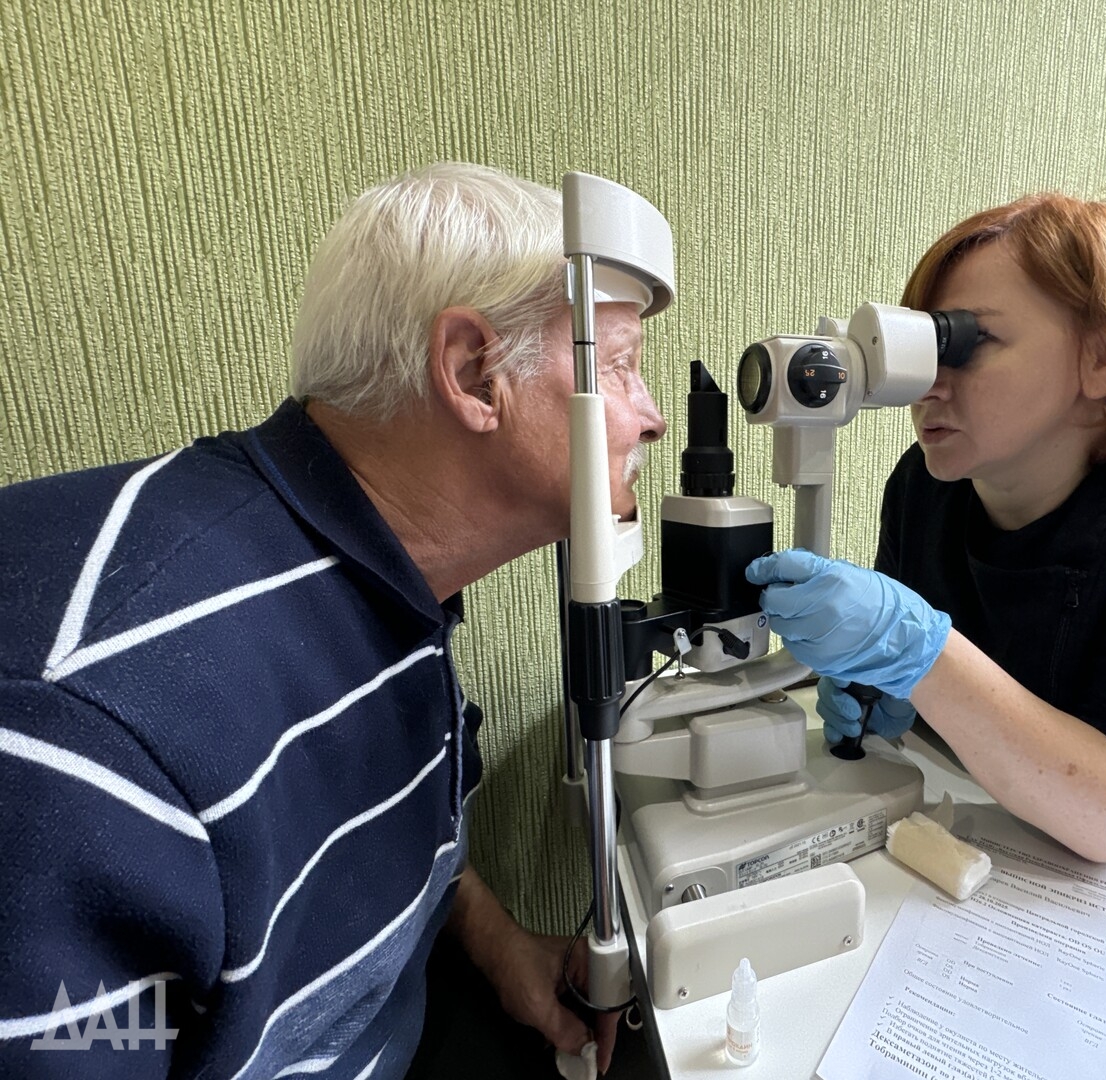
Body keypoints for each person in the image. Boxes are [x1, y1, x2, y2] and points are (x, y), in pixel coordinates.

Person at [0, 163, 665, 1077]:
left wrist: (493, 937)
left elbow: (384, 830)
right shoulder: (85, 716)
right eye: (619, 365)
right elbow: (91, 1040)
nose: (651, 417)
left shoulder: (379, 582)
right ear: (475, 374)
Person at [747, 193, 1106, 945]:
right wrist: (876, 682)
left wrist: (916, 650)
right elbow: (949, 706)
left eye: (963, 343)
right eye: (919, 350)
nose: (927, 385)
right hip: (1018, 868)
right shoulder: (928, 488)